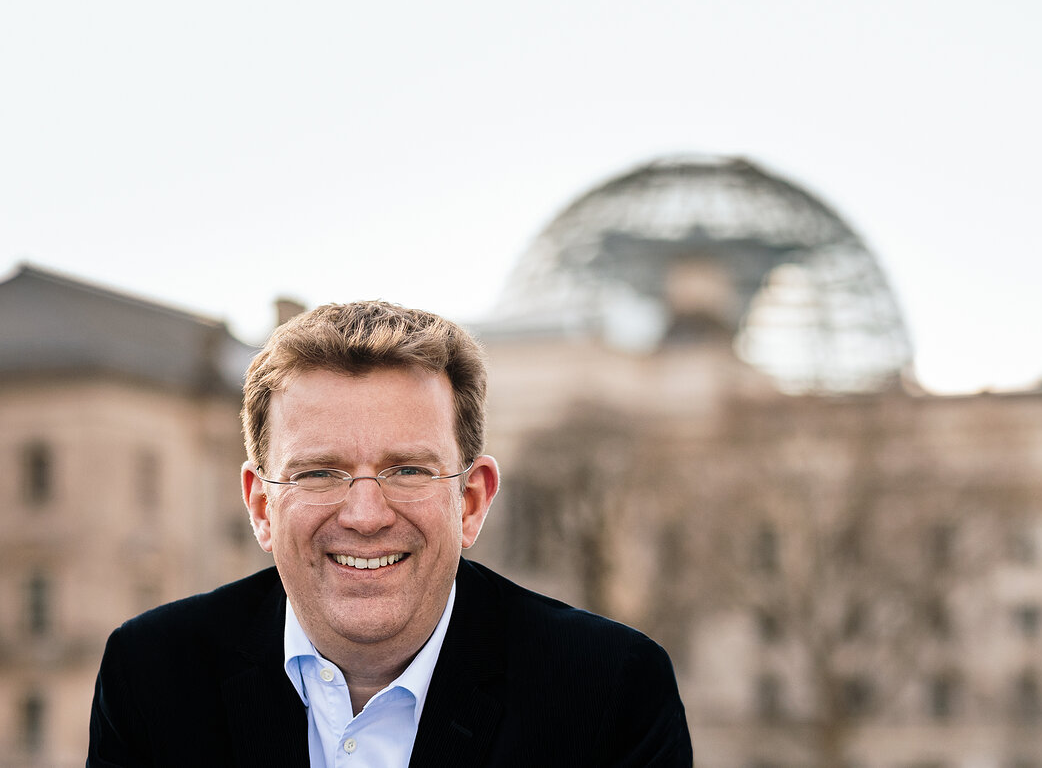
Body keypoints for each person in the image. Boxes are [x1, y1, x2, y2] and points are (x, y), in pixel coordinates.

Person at [87, 301, 692, 767]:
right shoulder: (152, 675)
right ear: (262, 506)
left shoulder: (610, 692)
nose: (365, 515)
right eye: (319, 473)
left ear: (471, 501)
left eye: (407, 470)